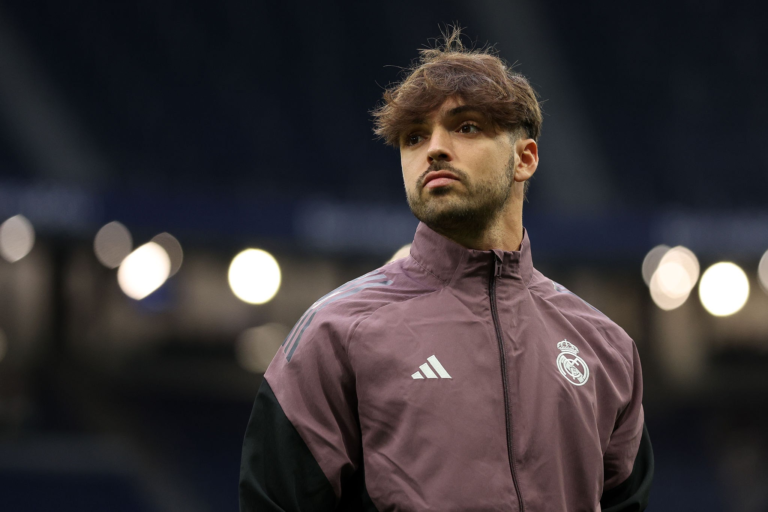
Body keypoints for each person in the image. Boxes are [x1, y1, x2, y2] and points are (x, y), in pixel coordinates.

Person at [239, 27, 653, 511]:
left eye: (466, 127)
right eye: (414, 137)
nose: (433, 148)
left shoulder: (606, 347)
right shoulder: (336, 332)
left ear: (524, 158)